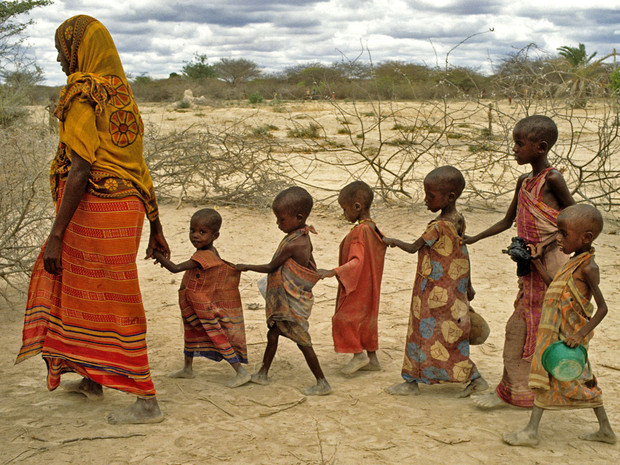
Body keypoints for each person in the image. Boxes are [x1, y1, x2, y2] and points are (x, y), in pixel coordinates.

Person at [15, 16, 169, 424]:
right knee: (85, 289)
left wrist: (55, 235)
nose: (60, 58)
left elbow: (81, 169)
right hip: (128, 207)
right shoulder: (122, 96)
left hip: (98, 208)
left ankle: (146, 397)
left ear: (77, 48)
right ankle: (91, 376)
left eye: (61, 49)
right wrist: (156, 225)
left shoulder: (84, 93)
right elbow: (139, 167)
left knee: (114, 297)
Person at [464, 115, 574, 409]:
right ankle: (511, 391)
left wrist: (543, 245)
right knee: (520, 326)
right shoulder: (524, 181)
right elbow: (507, 221)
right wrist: (473, 239)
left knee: (539, 327)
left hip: (550, 266)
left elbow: (573, 220)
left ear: (540, 147)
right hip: (528, 268)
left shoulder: (552, 179)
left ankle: (533, 393)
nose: (514, 149)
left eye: (519, 143)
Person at [504, 204, 616, 446]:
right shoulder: (573, 261)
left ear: (586, 238)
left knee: (565, 379)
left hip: (568, 338)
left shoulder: (588, 267)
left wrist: (580, 334)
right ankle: (605, 430)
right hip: (557, 336)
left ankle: (532, 432)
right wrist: (536, 263)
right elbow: (555, 286)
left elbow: (603, 308)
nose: (558, 238)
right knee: (581, 380)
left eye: (564, 234)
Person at [383, 167, 488, 397]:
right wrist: (468, 286)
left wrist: (390, 241)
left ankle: (413, 381)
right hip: (453, 291)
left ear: (450, 197)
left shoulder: (438, 227)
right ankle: (470, 377)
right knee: (448, 336)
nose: (425, 200)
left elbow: (412, 248)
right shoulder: (459, 220)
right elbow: (464, 254)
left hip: (430, 292)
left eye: (430, 196)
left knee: (422, 334)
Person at [235, 187, 331, 396]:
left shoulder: (296, 242)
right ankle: (263, 372)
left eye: (281, 220)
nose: (278, 224)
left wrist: (247, 266)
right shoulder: (298, 234)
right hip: (286, 301)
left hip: (292, 303)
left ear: (299, 217)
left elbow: (271, 267)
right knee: (273, 333)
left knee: (303, 341)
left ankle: (322, 382)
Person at [152, 209, 250, 388]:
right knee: (190, 333)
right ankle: (187, 368)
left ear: (215, 235)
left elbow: (175, 268)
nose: (195, 236)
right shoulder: (206, 251)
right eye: (192, 230)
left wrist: (156, 254)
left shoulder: (203, 255)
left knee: (217, 336)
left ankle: (240, 371)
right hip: (192, 303)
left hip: (203, 305)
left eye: (202, 232)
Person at [318, 181, 387, 375]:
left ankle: (359, 355)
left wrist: (333, 272)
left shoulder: (361, 231)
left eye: (345, 209)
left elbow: (357, 261)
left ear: (357, 207)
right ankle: (373, 359)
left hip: (359, 286)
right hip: (372, 285)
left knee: (343, 319)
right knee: (367, 320)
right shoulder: (374, 229)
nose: (344, 214)